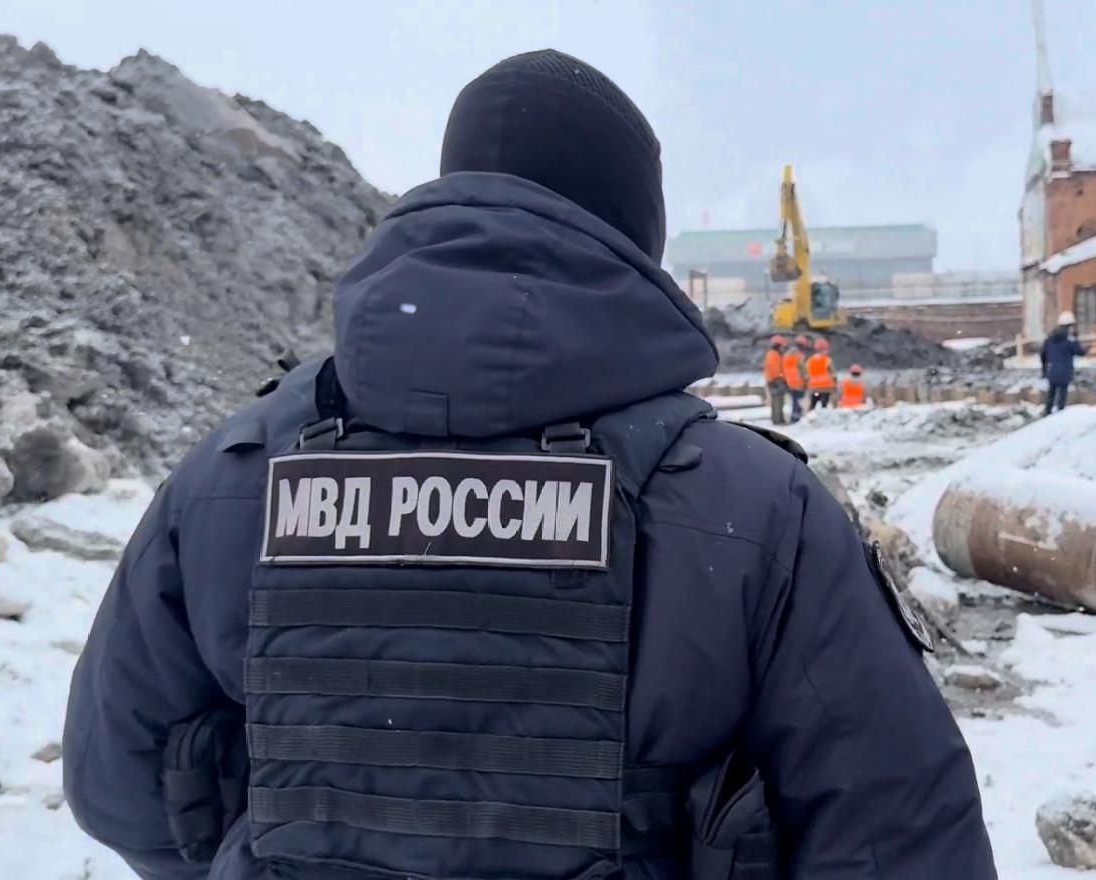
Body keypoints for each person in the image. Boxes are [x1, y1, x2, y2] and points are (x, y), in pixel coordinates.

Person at [62, 49, 995, 880]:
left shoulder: (231, 476)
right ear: (635, 233)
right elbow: (897, 835)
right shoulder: (756, 509)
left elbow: (121, 787)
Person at [1041, 310, 1087, 416]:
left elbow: (1043, 354)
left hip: (1052, 370)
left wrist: (1044, 370)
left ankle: (1047, 412)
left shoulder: (1050, 339)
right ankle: (1060, 414)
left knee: (1051, 393)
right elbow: (1080, 352)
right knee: (1062, 394)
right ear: (1070, 326)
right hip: (1064, 371)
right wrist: (1083, 345)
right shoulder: (1070, 339)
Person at [782, 333, 810, 423]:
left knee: (794, 401)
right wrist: (807, 379)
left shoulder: (786, 355)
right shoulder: (799, 355)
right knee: (799, 402)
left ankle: (794, 417)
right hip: (799, 382)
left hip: (789, 382)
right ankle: (796, 419)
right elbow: (803, 369)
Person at [763, 334, 788, 425]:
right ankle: (778, 420)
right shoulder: (774, 355)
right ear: (778, 345)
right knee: (778, 401)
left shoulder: (772, 354)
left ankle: (777, 419)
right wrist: (781, 378)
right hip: (776, 380)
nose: (783, 348)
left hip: (773, 380)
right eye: (782, 346)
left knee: (776, 401)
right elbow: (775, 369)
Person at [806, 337, 837, 410]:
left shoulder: (810, 360)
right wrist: (835, 383)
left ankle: (810, 414)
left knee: (813, 404)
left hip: (814, 387)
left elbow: (807, 372)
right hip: (826, 387)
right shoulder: (827, 360)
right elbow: (833, 373)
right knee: (824, 405)